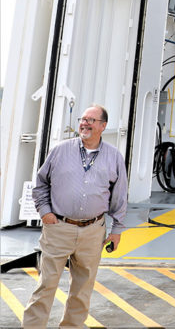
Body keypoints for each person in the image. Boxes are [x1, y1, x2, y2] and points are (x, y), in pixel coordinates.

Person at [22, 104, 128, 329]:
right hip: (59, 228)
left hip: (93, 231)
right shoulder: (60, 150)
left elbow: (119, 195)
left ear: (103, 126)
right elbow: (40, 184)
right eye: (83, 119)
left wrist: (117, 229)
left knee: (82, 289)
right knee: (46, 285)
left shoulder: (114, 157)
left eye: (91, 120)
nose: (85, 123)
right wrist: (46, 213)